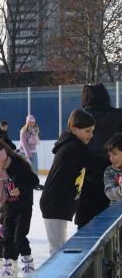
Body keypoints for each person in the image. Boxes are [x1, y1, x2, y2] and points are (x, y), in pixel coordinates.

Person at [40, 109, 105, 255]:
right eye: (88, 131)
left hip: (57, 203)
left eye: (92, 131)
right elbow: (96, 163)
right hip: (54, 204)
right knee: (57, 249)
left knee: (59, 247)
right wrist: (115, 163)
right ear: (74, 129)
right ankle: (57, 276)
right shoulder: (74, 147)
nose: (91, 135)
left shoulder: (73, 145)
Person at [0, 144, 39, 278]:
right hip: (9, 207)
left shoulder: (19, 166)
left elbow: (34, 181)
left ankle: (28, 266)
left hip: (23, 207)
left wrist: (20, 189)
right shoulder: (0, 170)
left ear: (2, 158)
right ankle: (7, 268)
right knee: (6, 237)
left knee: (19, 236)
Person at [76, 83, 122, 227]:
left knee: (85, 225)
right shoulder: (119, 116)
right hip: (115, 176)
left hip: (88, 179)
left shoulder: (82, 117)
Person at [19, 115, 43, 190]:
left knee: (35, 168)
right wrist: (27, 152)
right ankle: (21, 183)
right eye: (30, 122)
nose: (32, 123)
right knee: (23, 168)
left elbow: (36, 141)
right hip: (23, 151)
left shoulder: (35, 130)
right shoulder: (23, 131)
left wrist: (34, 134)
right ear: (27, 122)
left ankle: (35, 183)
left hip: (33, 151)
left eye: (33, 122)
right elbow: (23, 142)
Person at [104, 133, 122, 204]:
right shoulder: (110, 171)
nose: (111, 158)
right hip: (116, 212)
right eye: (109, 155)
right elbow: (109, 193)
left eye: (114, 154)